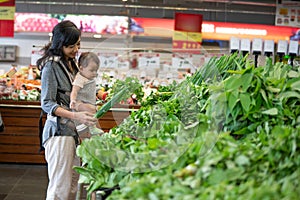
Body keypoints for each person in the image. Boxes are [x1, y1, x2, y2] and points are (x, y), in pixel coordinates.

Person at [36, 20, 98, 200]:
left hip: (72, 132)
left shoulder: (71, 63)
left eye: (78, 44)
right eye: (71, 46)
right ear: (59, 44)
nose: (76, 49)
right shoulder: (51, 66)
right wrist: (75, 114)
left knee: (72, 184)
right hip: (58, 132)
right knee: (59, 187)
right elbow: (47, 103)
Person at [70, 52, 103, 136]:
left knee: (92, 111)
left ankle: (88, 126)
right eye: (92, 70)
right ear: (81, 68)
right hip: (80, 102)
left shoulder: (89, 78)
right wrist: (73, 100)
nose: (94, 73)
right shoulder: (80, 78)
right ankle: (90, 127)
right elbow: (74, 90)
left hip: (87, 102)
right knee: (91, 110)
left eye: (96, 70)